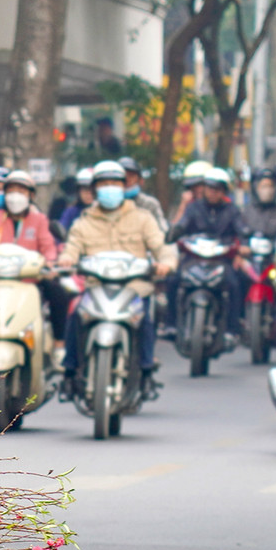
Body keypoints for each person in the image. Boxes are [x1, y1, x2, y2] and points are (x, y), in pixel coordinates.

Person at [57, 160, 177, 396]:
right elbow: (72, 247)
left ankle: (145, 373)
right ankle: (69, 374)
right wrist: (67, 259)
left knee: (145, 321)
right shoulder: (83, 221)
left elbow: (161, 247)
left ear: (124, 187)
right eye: (103, 184)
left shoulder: (143, 218)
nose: (109, 188)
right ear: (94, 190)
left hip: (134, 288)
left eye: (114, 183)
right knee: (75, 317)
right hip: (96, 288)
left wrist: (166, 263)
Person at [0, 169, 71, 360]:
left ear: (31, 195)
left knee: (59, 294)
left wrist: (51, 263)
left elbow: (48, 247)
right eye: (11, 191)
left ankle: (59, 344)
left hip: (30, 279)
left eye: (21, 191)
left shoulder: (38, 220)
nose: (15, 196)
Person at [168, 166, 247, 339]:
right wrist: (174, 233)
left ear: (224, 191)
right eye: (210, 188)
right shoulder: (193, 208)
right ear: (204, 189)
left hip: (221, 260)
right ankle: (171, 324)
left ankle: (232, 329)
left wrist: (244, 248)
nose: (213, 192)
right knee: (173, 280)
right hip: (193, 258)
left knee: (236, 283)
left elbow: (242, 231)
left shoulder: (232, 210)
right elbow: (181, 225)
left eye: (218, 189)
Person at [118, 156, 169, 233]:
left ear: (141, 181)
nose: (127, 180)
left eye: (131, 176)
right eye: (123, 177)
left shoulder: (149, 204)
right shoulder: (107, 204)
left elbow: (162, 230)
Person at [242, 168, 276, 241]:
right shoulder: (247, 211)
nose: (268, 191)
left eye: (271, 186)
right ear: (256, 189)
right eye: (264, 186)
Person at [171, 160, 214, 225]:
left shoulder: (221, 203)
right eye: (193, 186)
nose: (198, 189)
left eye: (201, 185)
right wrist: (183, 205)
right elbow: (175, 228)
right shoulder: (190, 204)